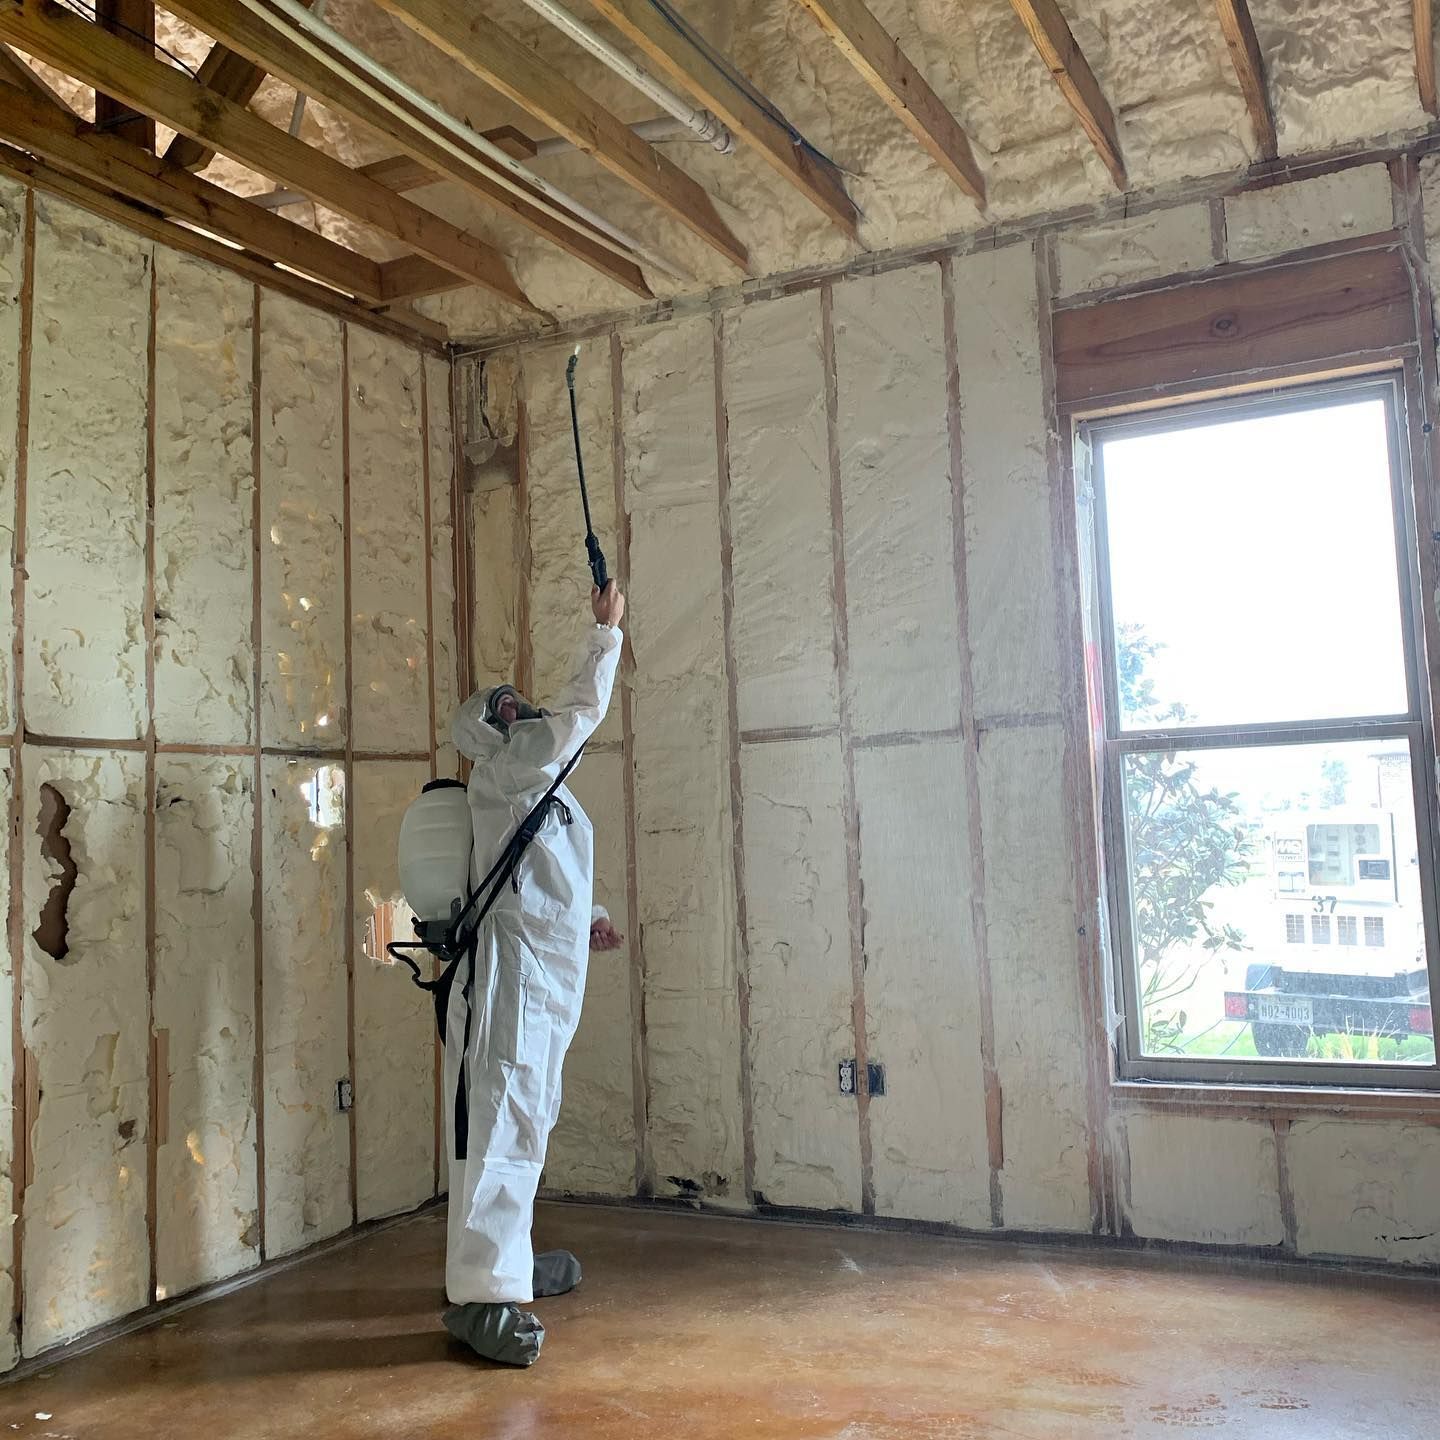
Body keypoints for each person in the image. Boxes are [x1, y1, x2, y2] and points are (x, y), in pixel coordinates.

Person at [441, 579, 626, 1367]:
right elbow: (578, 716)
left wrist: (590, 919)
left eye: (517, 701)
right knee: (499, 1124)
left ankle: (508, 1260)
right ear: (485, 734)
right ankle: (481, 1297)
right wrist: (604, 635)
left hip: (545, 977)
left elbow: (547, 873)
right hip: (510, 979)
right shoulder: (508, 769)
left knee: (530, 1117)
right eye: (502, 708)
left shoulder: (544, 789)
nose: (518, 708)